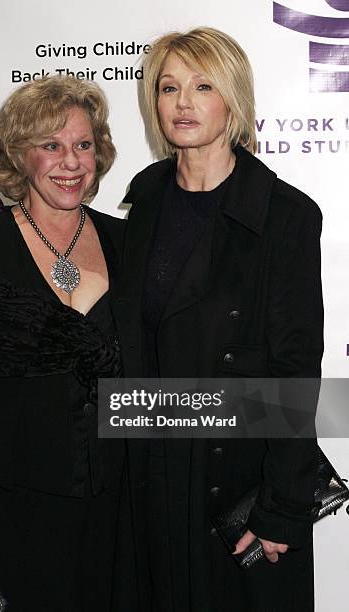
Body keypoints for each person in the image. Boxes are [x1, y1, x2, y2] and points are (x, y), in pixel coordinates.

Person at [111, 28, 323, 611]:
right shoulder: (144, 205)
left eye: (202, 86)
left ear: (232, 99)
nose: (182, 103)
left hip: (242, 485)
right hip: (154, 479)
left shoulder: (286, 215)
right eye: (168, 87)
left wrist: (281, 508)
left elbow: (295, 371)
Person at [0, 75, 126, 611]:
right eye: (50, 146)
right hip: (14, 514)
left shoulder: (127, 242)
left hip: (122, 513)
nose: (70, 162)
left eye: (83, 145)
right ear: (20, 156)